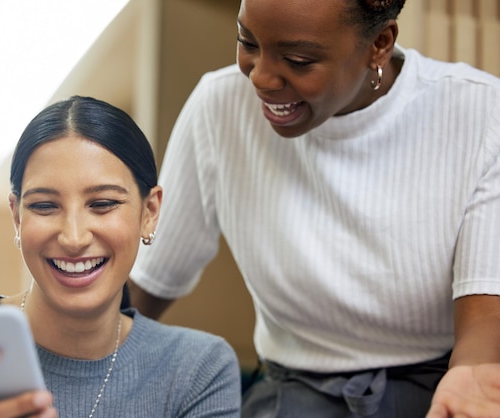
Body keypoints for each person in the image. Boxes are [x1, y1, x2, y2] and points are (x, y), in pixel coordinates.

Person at [127, 0, 500, 416]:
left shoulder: (479, 112)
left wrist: (469, 386)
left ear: (380, 42)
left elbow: (484, 318)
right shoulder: (219, 108)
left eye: (298, 60)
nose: (262, 78)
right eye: (246, 42)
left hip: (441, 390)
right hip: (291, 395)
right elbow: (145, 286)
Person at [0, 96, 242, 417]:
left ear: (150, 212)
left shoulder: (197, 371)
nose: (74, 237)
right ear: (17, 217)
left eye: (102, 204)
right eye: (45, 206)